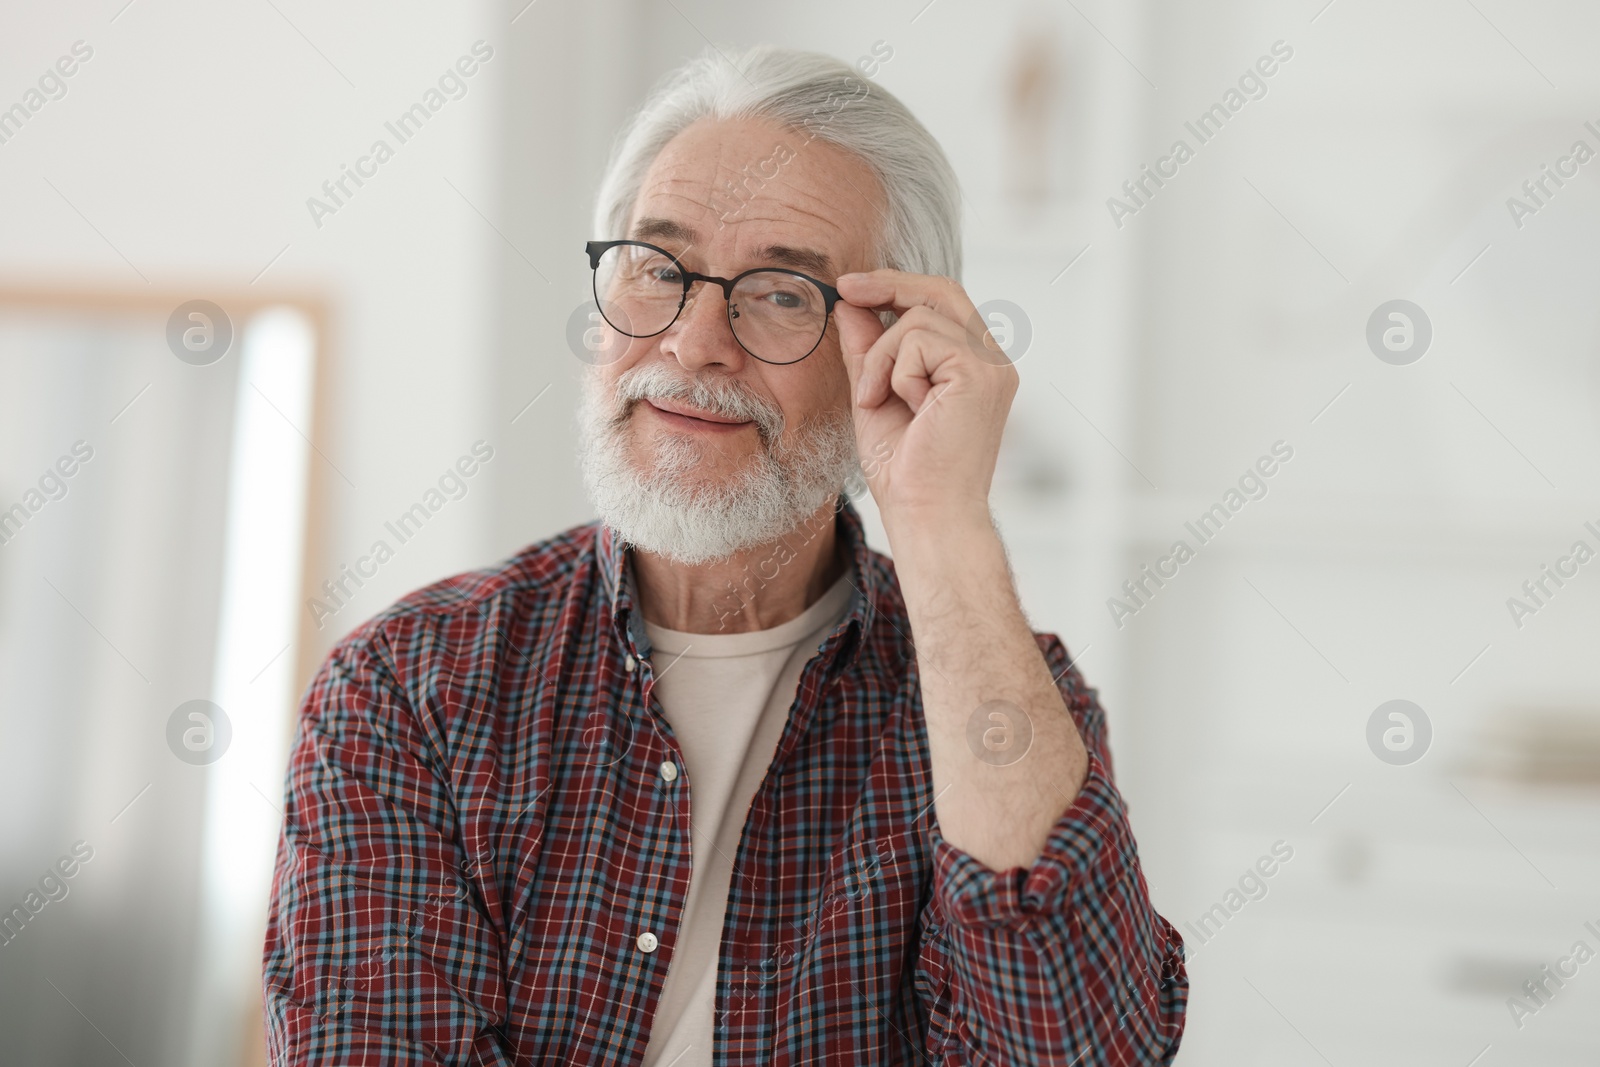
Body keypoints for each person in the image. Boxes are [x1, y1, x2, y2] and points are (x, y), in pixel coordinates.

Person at [263, 43, 1187, 1066]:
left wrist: (940, 516)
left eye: (782, 292)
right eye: (657, 269)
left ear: (890, 345)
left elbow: (1078, 1052)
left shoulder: (1006, 707)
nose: (694, 340)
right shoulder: (411, 683)